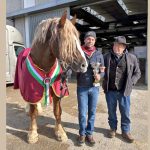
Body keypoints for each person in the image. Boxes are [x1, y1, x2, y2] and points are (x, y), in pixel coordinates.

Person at [102, 36, 141, 143]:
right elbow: (100, 70)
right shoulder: (106, 57)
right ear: (113, 45)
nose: (118, 47)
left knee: (125, 112)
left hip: (124, 91)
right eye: (116, 45)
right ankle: (113, 128)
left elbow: (137, 73)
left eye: (120, 46)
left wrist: (131, 82)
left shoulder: (132, 58)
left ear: (124, 47)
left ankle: (125, 131)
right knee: (111, 111)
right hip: (110, 90)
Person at [76, 31, 105, 146]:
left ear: (95, 41)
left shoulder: (99, 54)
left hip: (94, 87)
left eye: (92, 39)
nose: (90, 41)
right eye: (88, 38)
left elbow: (102, 70)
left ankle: (89, 133)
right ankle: (82, 133)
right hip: (82, 86)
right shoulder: (79, 52)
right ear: (84, 40)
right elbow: (73, 66)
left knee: (92, 112)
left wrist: (100, 76)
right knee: (83, 113)